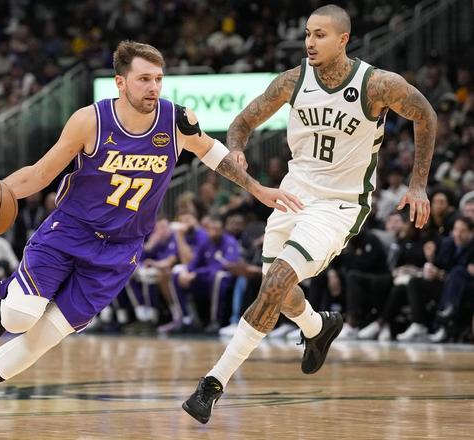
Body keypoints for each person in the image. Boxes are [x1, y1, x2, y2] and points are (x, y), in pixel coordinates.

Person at [0, 40, 302, 436]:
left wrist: (258, 189)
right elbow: (40, 174)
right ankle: (6, 307)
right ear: (120, 82)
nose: (153, 87)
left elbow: (215, 156)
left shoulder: (176, 121)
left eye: (158, 79)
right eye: (144, 79)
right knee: (21, 317)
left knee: (42, 340)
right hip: (69, 231)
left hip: (120, 250)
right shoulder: (90, 121)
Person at [183, 4, 436, 424]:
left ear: (343, 39)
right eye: (307, 34)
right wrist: (238, 148)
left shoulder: (376, 84)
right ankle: (318, 328)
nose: (309, 43)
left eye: (320, 35)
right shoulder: (293, 81)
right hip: (292, 197)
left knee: (277, 282)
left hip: (338, 205)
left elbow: (424, 114)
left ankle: (212, 383)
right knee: (279, 296)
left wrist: (418, 184)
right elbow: (242, 122)